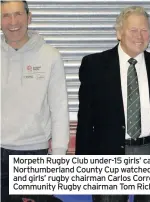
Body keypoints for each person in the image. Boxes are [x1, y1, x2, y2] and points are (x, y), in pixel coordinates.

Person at [75, 5, 150, 202]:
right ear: (119, 33)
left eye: (145, 30)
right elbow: (85, 119)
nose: (139, 36)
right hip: (108, 155)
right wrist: (84, 163)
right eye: (133, 30)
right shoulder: (94, 65)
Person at [1, 1, 69, 201]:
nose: (13, 22)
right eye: (6, 16)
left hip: (34, 153)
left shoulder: (50, 56)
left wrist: (58, 155)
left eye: (18, 14)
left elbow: (59, 108)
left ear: (29, 18)